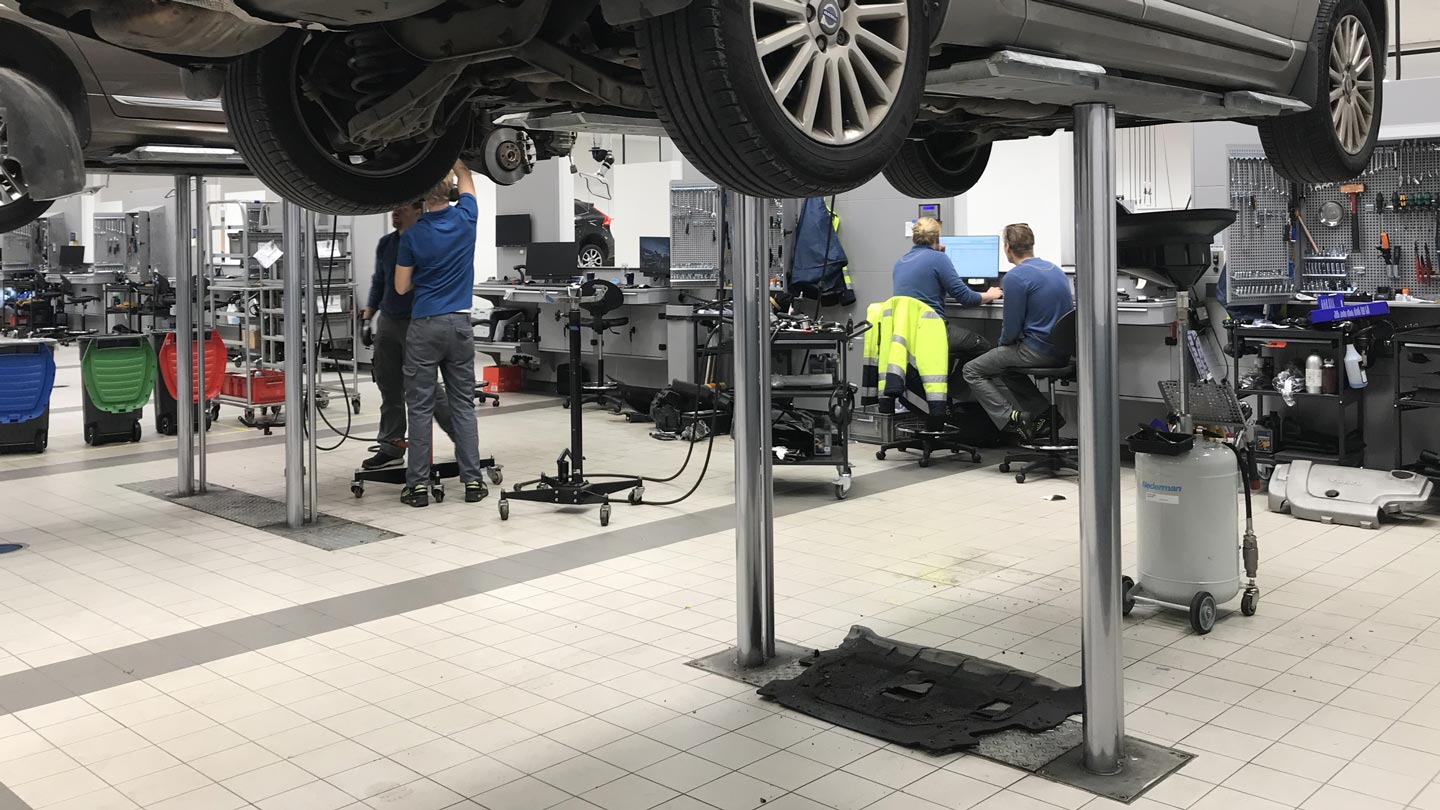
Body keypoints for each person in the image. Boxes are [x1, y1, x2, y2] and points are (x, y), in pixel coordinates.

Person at [394, 162, 485, 507]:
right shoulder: (466, 219)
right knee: (463, 405)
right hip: (460, 326)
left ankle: (417, 486)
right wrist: (457, 162)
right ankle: (473, 482)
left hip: (425, 325)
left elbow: (401, 287)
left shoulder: (413, 235)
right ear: (449, 192)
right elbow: (467, 181)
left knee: (419, 408)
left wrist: (428, 277)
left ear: (421, 198)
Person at [360, 202, 459, 471]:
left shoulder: (430, 241)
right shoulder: (386, 244)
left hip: (419, 321)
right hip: (389, 323)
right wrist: (368, 317)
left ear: (419, 210)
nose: (395, 212)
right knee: (388, 386)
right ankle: (391, 446)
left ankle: (463, 442)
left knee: (427, 390)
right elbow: (379, 281)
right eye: (392, 207)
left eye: (401, 207)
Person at [962, 223, 1075, 438]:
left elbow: (1011, 328)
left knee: (972, 369)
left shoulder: (1015, 277)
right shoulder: (1055, 270)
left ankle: (1011, 420)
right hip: (1061, 351)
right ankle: (1045, 416)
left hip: (1037, 351)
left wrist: (1001, 347)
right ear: (1031, 244)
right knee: (1007, 368)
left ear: (1007, 247)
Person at [892, 217, 1001, 365]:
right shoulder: (938, 259)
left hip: (907, 333)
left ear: (914, 237)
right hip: (933, 331)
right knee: (983, 347)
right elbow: (966, 298)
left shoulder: (901, 261)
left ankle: (949, 384)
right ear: (937, 237)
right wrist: (990, 294)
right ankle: (957, 387)